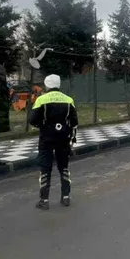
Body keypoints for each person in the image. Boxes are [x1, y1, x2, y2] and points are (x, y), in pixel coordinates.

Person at [29, 74, 78, 210]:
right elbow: (74, 122)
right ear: (59, 84)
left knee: (45, 168)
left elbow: (33, 120)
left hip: (46, 138)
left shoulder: (41, 99)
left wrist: (43, 126)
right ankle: (66, 197)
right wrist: (72, 138)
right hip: (63, 137)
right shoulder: (68, 100)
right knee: (64, 167)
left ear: (47, 85)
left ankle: (44, 200)